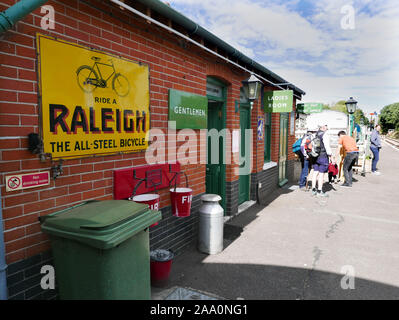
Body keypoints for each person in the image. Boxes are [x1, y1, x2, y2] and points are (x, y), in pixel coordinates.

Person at [311, 125, 332, 197]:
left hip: (315, 156)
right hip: (323, 156)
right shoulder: (325, 134)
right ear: (323, 127)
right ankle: (319, 191)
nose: (327, 128)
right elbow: (327, 146)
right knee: (321, 174)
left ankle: (313, 189)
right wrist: (330, 155)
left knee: (315, 172)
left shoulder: (315, 134)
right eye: (326, 126)